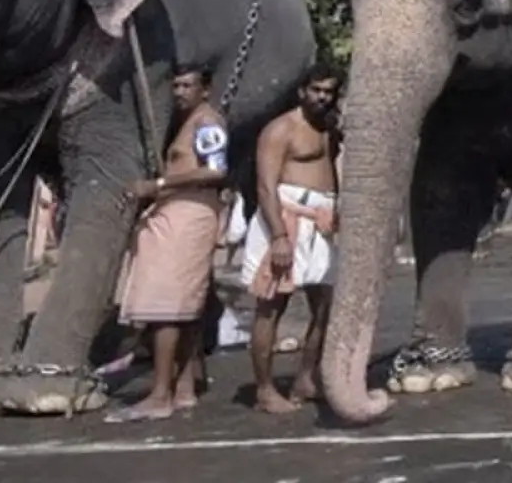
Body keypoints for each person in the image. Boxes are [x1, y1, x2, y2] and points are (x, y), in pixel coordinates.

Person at [108, 69, 230, 422]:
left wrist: (158, 183)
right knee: (185, 305)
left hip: (188, 214)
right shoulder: (189, 121)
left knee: (165, 306)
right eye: (175, 85)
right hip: (180, 210)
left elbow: (214, 170)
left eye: (188, 85)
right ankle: (184, 387)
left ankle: (160, 394)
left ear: (205, 90)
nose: (179, 92)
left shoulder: (208, 123)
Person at [243, 68, 342, 414]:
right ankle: (265, 390)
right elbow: (266, 187)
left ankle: (305, 377)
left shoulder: (329, 127)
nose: (322, 97)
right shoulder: (280, 129)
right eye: (316, 90)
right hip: (284, 220)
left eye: (329, 91)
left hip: (322, 224)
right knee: (271, 307)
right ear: (301, 90)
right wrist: (279, 237)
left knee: (327, 305)